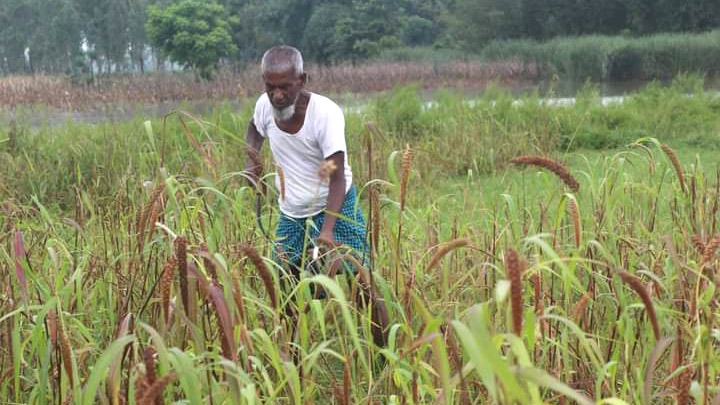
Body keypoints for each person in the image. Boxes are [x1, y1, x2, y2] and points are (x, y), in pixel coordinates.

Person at [244, 45, 388, 347]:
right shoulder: (263, 106)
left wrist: (327, 231)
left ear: (302, 80)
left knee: (364, 280)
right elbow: (254, 130)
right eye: (270, 87)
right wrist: (252, 161)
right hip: (291, 212)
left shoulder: (324, 115)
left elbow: (334, 176)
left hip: (334, 204)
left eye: (285, 87)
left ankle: (382, 355)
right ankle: (294, 362)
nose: (277, 95)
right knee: (283, 286)